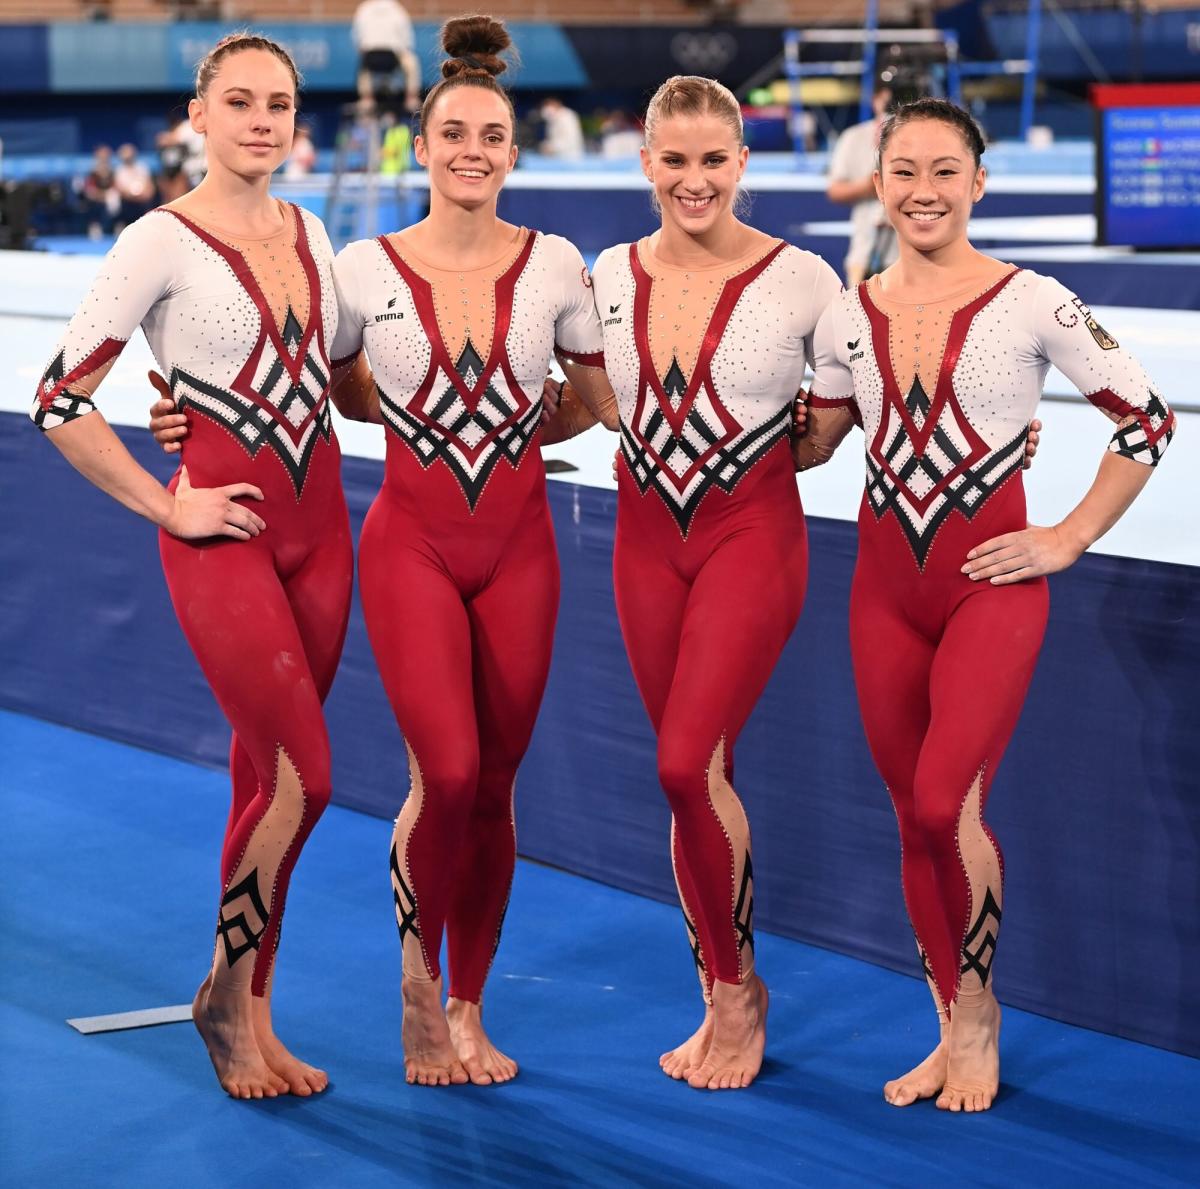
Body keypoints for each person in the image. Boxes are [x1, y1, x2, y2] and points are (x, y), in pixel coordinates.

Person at [799, 98, 1175, 1112]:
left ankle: (981, 1015)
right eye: (905, 170)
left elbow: (1146, 418)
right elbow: (814, 441)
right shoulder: (847, 311)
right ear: (878, 181)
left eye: (944, 171)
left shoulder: (1033, 302)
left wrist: (1068, 534)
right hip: (881, 591)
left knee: (940, 803)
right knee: (911, 819)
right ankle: (948, 1017)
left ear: (978, 182)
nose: (923, 191)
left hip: (988, 591)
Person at [32, 33, 357, 1101]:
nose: (263, 120)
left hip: (322, 538)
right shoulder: (156, 241)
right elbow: (60, 398)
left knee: (267, 781)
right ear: (200, 115)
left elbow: (340, 377)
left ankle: (254, 1010)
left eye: (280, 104)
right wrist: (165, 501)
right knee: (309, 776)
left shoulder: (313, 229)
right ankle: (223, 991)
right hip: (224, 541)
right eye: (241, 102)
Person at [327, 14, 616, 1087]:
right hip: (411, 546)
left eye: (491, 136)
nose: (472, 151)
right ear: (423, 141)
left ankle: (469, 1002)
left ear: (511, 150)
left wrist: (511, 428)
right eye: (453, 133)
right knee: (441, 771)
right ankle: (415, 973)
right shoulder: (364, 264)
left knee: (494, 784)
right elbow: (343, 389)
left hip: (520, 551)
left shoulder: (555, 266)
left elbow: (598, 401)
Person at [586, 76, 842, 1091]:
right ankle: (718, 989)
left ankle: (740, 997)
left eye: (713, 160)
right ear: (646, 162)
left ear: (744, 162)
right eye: (674, 160)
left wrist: (1015, 437)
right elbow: (575, 392)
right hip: (644, 543)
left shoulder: (807, 281)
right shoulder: (607, 272)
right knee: (694, 770)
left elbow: (832, 427)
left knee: (686, 764)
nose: (694, 181)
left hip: (750, 538)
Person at [826, 84, 896, 286]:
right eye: (888, 101)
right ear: (876, 100)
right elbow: (834, 190)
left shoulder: (924, 140)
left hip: (910, 260)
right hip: (864, 253)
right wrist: (867, 187)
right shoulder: (853, 137)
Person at [353, 0, 421, 114]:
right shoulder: (397, 9)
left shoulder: (363, 8)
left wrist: (362, 49)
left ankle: (367, 99)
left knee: (364, 66)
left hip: (371, 56)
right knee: (411, 61)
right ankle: (411, 98)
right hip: (392, 54)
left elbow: (357, 36)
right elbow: (407, 37)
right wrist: (404, 49)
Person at [113, 143, 156, 230]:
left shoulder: (142, 167)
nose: (128, 157)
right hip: (127, 201)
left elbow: (149, 185)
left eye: (130, 154)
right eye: (125, 154)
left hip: (142, 200)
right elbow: (119, 189)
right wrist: (131, 196)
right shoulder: (119, 170)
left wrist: (145, 195)